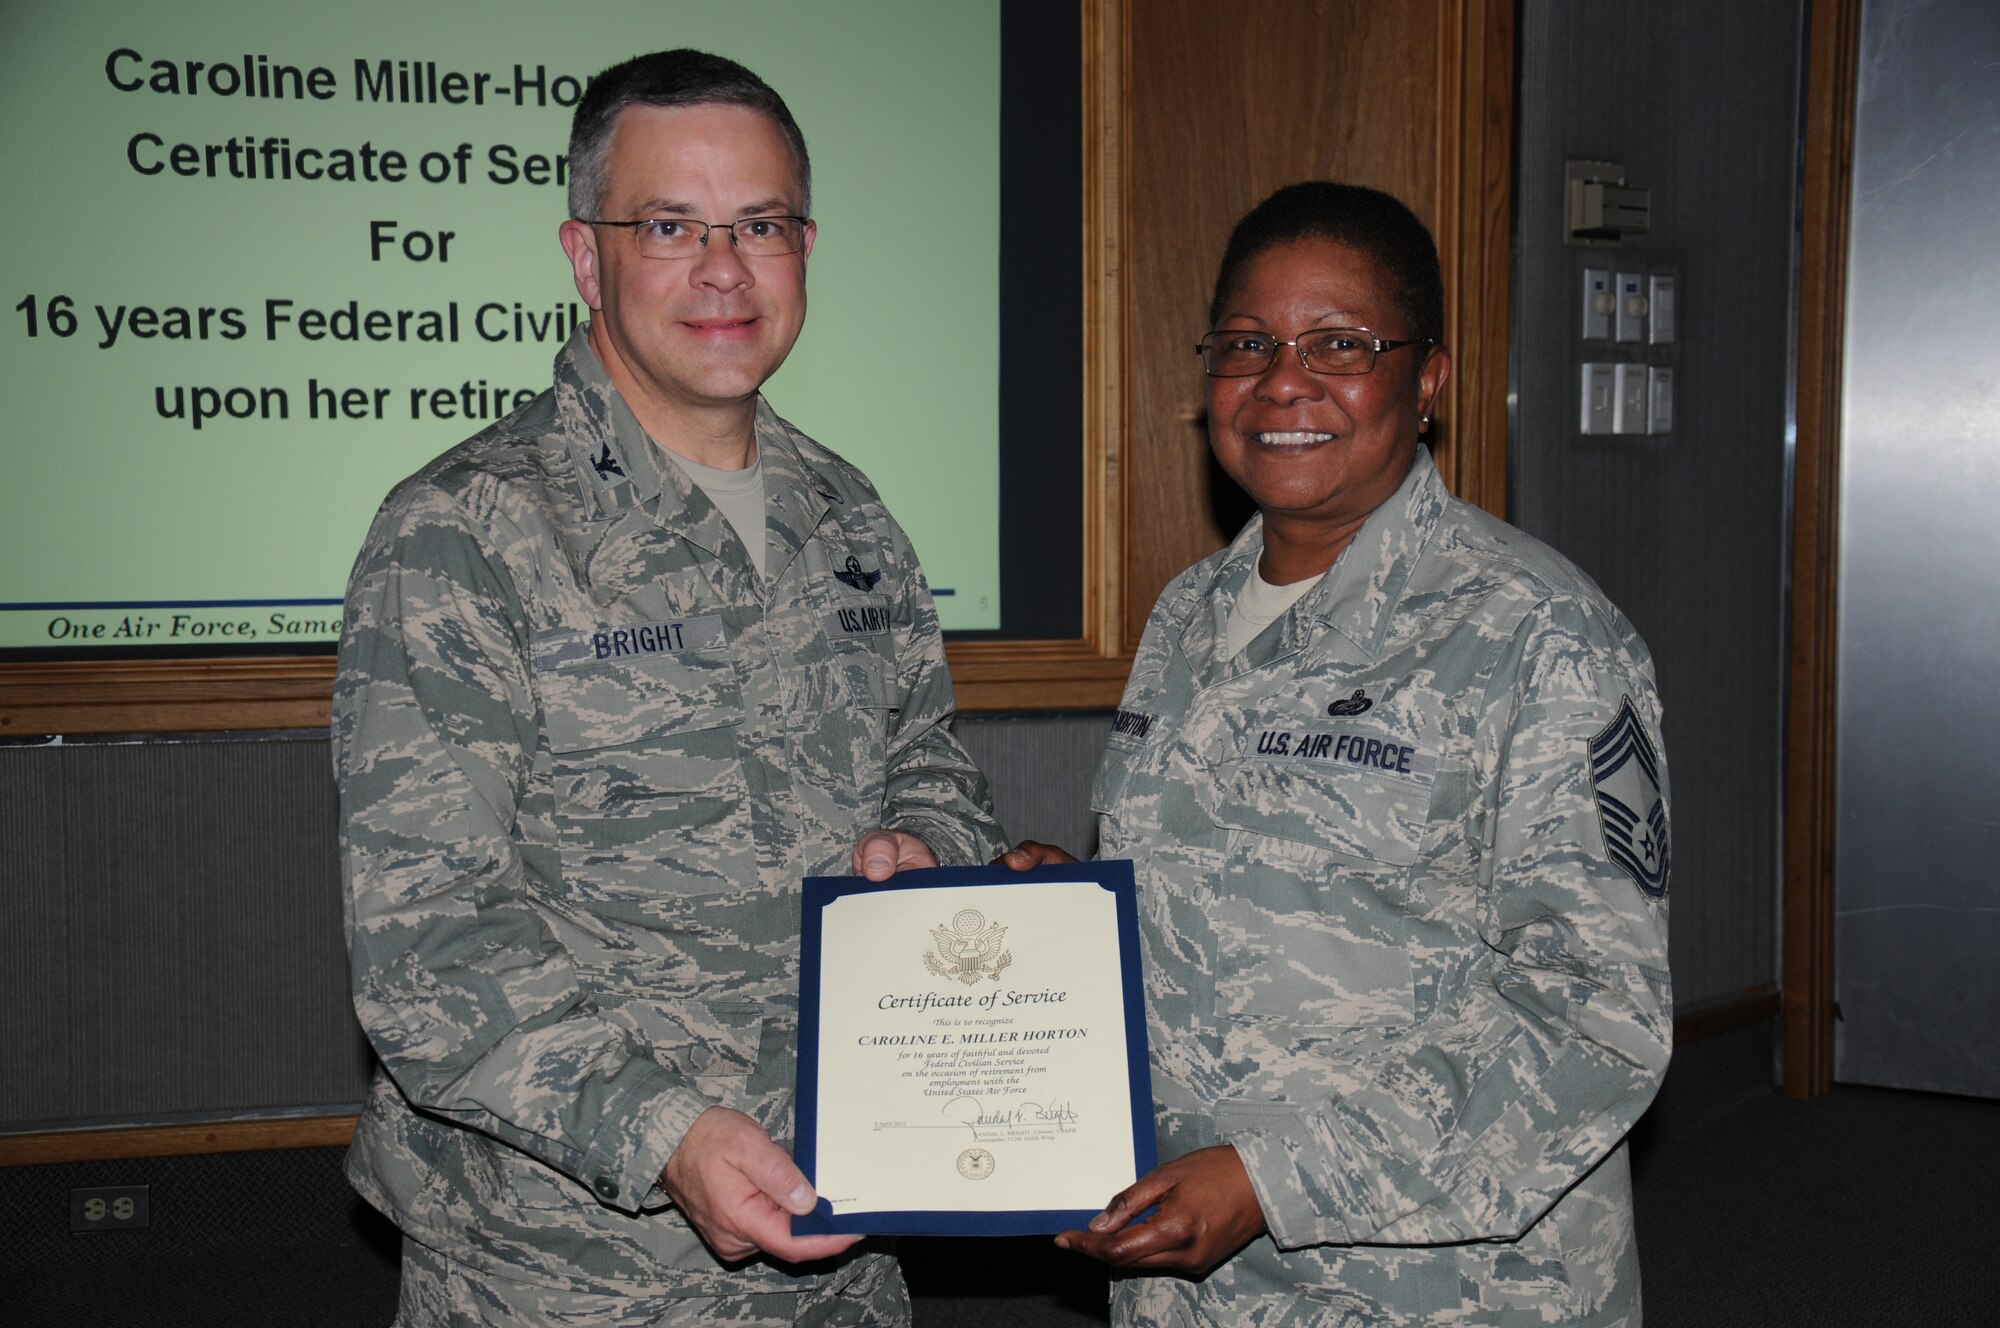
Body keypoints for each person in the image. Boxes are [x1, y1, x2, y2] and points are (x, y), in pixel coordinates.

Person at [333, 49, 1006, 1326]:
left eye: (757, 225)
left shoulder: (848, 513)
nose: (722, 269)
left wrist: (926, 846)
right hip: (566, 1271)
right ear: (586, 257)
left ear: (803, 245)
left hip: (847, 1240)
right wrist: (663, 1133)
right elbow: (427, 944)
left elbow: (928, 755)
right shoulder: (465, 532)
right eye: (668, 226)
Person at [1004, 182, 1672, 1325]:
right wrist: (1070, 912)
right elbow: (1239, 892)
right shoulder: (1188, 610)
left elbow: (1593, 1020)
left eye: (1339, 344)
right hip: (1189, 1274)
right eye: (1247, 343)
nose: (1282, 381)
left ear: (1425, 382)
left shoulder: (1533, 633)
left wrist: (1270, 1177)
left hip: (1436, 1287)